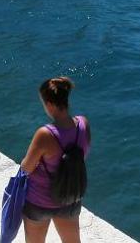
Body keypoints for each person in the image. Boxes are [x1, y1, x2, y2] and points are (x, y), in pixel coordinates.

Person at [19, 76, 91, 242]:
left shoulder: (45, 134)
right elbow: (83, 154)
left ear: (50, 104)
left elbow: (26, 168)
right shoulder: (83, 125)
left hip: (39, 201)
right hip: (69, 198)